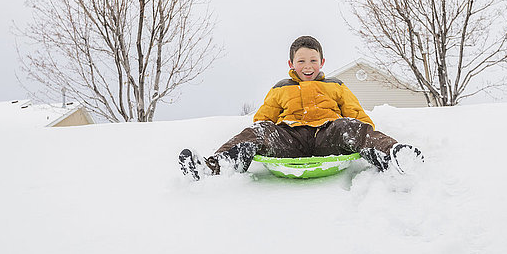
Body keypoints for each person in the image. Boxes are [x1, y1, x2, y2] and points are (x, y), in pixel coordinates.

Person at [179, 35, 423, 180]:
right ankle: (217, 167)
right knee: (259, 130)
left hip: (328, 135)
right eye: (302, 61)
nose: (308, 66)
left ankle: (393, 156)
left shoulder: (335, 85)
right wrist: (263, 133)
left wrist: (360, 130)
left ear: (322, 62)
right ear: (291, 63)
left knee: (349, 125)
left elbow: (355, 113)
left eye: (313, 60)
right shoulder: (280, 88)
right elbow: (262, 119)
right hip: (291, 138)